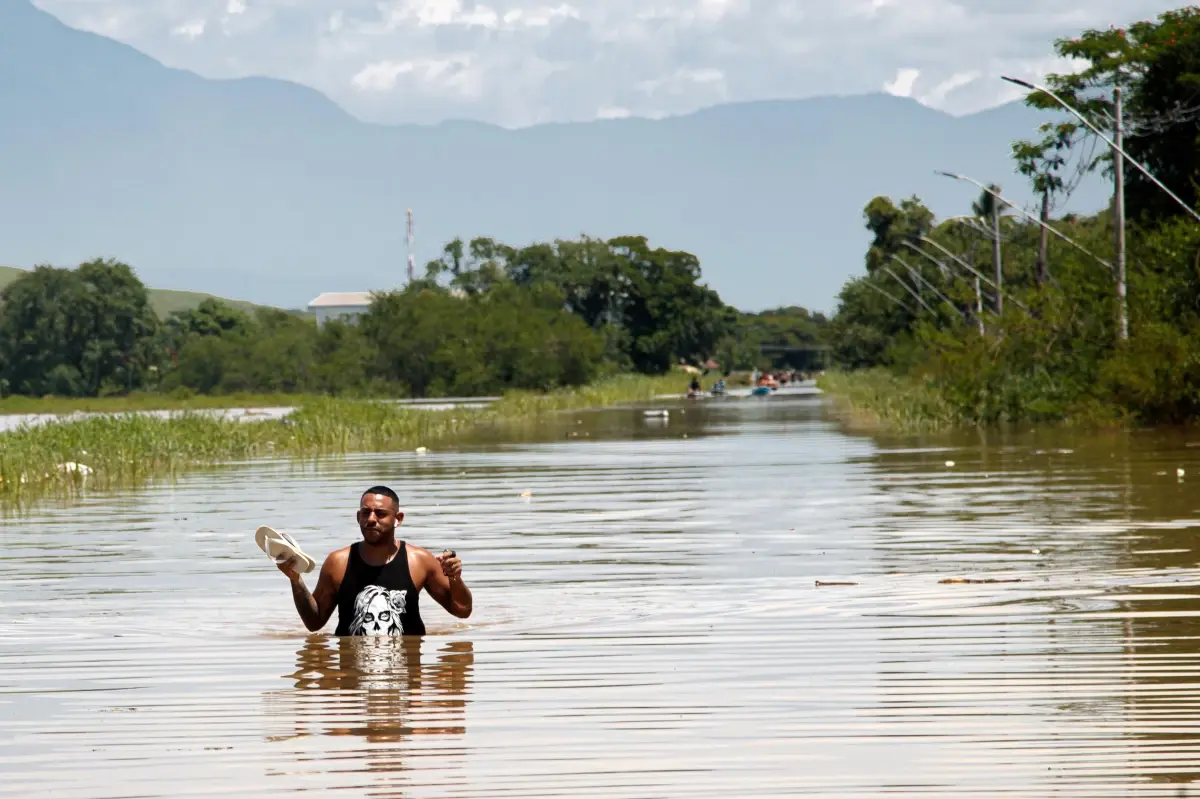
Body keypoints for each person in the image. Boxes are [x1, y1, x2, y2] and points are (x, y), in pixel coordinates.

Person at [278, 485, 472, 636]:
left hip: (406, 676)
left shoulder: (419, 561)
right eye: (365, 513)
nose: (371, 519)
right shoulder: (338, 562)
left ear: (398, 518)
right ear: (358, 517)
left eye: (380, 514)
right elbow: (314, 623)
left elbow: (462, 611)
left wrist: (454, 578)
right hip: (353, 679)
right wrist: (296, 580)